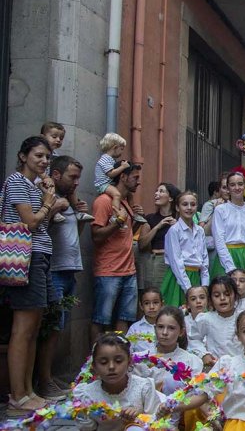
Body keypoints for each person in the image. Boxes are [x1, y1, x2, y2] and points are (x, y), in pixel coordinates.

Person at [2, 137, 65, 413]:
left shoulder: (33, 185)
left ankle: (28, 391)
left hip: (39, 255)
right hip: (26, 256)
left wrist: (45, 197)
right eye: (38, 155)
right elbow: (30, 222)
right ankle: (18, 396)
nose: (43, 161)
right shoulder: (17, 182)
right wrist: (48, 203)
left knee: (34, 327)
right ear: (23, 156)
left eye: (47, 157)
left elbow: (42, 223)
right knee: (23, 328)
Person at [37, 155, 88, 401]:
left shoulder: (69, 200)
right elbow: (37, 228)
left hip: (70, 270)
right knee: (52, 329)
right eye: (72, 177)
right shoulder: (48, 197)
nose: (77, 182)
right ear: (56, 175)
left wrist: (79, 216)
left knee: (59, 328)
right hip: (54, 270)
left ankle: (51, 377)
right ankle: (44, 381)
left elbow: (74, 233)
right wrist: (54, 208)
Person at [90, 161, 143, 343]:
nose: (138, 182)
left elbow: (126, 234)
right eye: (135, 177)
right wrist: (118, 222)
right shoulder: (104, 201)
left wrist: (135, 220)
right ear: (123, 176)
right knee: (101, 319)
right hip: (108, 271)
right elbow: (96, 236)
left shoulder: (126, 202)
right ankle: (94, 358)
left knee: (125, 318)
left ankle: (122, 354)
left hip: (129, 270)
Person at [71, 333, 160, 430]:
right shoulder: (86, 394)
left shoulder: (144, 387)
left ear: (129, 362)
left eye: (118, 361)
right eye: (103, 362)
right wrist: (83, 411)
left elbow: (158, 421)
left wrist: (139, 416)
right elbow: (87, 428)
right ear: (94, 366)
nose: (111, 367)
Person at [210, 171, 245, 278]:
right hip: (226, 257)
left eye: (240, 184)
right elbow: (219, 240)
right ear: (228, 188)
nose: (237, 188)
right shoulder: (220, 210)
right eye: (232, 185)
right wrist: (230, 267)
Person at [161, 191, 209, 306]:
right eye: (185, 204)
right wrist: (188, 288)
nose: (189, 208)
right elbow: (176, 261)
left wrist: (205, 284)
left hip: (196, 277)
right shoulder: (174, 230)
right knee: (178, 311)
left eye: (193, 204)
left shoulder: (200, 231)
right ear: (177, 208)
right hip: (179, 279)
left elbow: (204, 258)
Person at [188, 275, 241, 368]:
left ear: (236, 296)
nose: (222, 298)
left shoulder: (244, 318)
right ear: (210, 299)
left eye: (227, 294)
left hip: (241, 368)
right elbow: (194, 339)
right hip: (215, 368)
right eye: (217, 295)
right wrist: (203, 354)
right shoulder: (206, 319)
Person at [94, 133, 146, 225]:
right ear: (115, 147)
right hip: (103, 184)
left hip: (108, 183)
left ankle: (134, 214)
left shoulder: (111, 159)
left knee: (129, 195)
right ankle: (115, 215)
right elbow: (111, 174)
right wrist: (123, 167)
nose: (122, 152)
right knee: (117, 195)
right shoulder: (105, 159)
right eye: (121, 149)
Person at [137, 183, 180, 290]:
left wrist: (178, 227)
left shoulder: (179, 219)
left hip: (175, 260)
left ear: (170, 198)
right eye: (156, 191)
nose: (156, 193)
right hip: (156, 261)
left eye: (161, 191)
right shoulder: (150, 218)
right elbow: (141, 244)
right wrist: (157, 227)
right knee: (155, 293)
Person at [127, 287, 163, 354]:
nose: (151, 307)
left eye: (155, 302)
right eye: (147, 303)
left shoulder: (167, 327)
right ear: (141, 306)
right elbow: (128, 351)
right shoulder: (135, 329)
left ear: (162, 304)